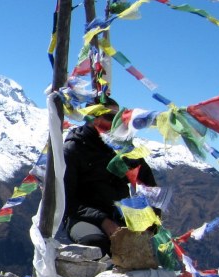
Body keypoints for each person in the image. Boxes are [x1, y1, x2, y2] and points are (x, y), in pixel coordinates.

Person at [62, 96, 157, 256]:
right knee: (97, 246)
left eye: (118, 118)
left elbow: (147, 184)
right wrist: (103, 221)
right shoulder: (72, 150)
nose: (115, 124)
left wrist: (151, 218)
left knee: (143, 250)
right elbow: (67, 201)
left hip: (120, 214)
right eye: (110, 117)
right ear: (92, 117)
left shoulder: (123, 148)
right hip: (83, 217)